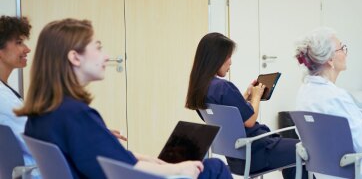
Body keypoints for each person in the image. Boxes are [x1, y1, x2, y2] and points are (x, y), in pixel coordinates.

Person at [16, 18, 231, 179]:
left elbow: (95, 155)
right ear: (74, 57)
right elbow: (126, 170)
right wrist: (177, 168)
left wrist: (143, 158)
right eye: (98, 48)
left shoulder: (44, 113)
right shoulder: (76, 115)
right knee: (214, 168)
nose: (106, 56)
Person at [185, 32, 303, 179]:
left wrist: (245, 97)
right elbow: (250, 120)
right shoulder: (223, 87)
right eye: (228, 57)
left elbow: (231, 117)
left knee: (291, 153)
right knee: (303, 149)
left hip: (236, 159)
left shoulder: (201, 89)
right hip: (257, 151)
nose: (230, 62)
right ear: (216, 58)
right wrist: (256, 97)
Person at [294, 28, 362, 179]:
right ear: (330, 60)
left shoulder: (305, 91)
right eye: (342, 48)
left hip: (324, 172)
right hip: (353, 170)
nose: (345, 53)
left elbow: (326, 130)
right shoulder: (337, 96)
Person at [0, 16, 35, 169]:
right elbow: (39, 142)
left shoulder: (5, 91)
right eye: (19, 43)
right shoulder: (4, 99)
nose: (27, 49)